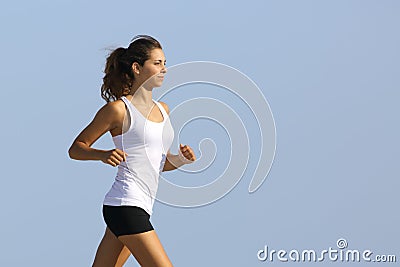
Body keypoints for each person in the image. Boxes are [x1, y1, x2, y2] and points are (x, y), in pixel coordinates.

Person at [68, 35, 196, 267]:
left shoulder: (164, 110)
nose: (164, 69)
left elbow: (156, 164)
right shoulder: (117, 110)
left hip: (140, 207)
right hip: (125, 205)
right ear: (137, 68)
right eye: (157, 63)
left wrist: (180, 159)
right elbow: (76, 148)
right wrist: (103, 154)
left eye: (165, 62)